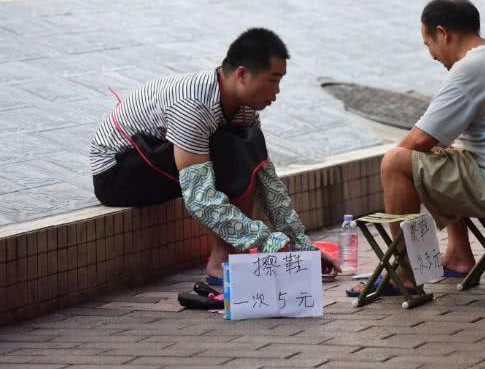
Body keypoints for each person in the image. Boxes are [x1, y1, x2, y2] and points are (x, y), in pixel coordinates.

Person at [90, 28, 339, 284]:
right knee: (228, 147)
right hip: (117, 173)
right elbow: (199, 198)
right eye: (273, 80)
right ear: (242, 74)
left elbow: (266, 180)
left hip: (155, 162)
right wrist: (266, 241)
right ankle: (222, 263)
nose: (277, 91)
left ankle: (230, 256)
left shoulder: (244, 109)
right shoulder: (194, 104)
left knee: (245, 146)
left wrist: (303, 248)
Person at [348, 0, 485, 295]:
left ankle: (405, 273)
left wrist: (393, 172)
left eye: (427, 43)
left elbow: (420, 138)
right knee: (441, 157)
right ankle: (458, 255)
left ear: (443, 34)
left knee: (396, 161)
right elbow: (435, 142)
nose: (431, 55)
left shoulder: (472, 68)